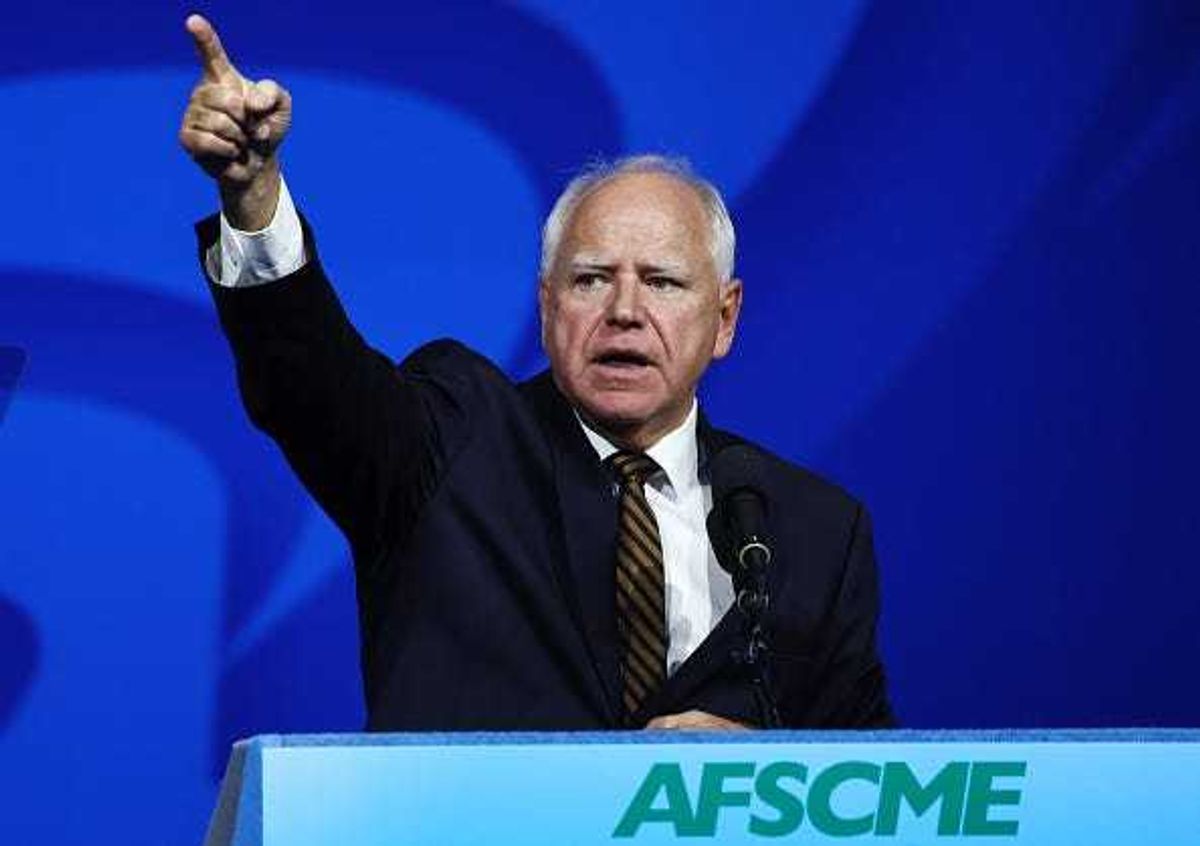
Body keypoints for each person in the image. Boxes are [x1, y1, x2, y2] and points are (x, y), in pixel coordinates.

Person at [180, 15, 893, 731]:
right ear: (547, 308)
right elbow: (311, 384)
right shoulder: (451, 447)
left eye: (664, 283)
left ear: (725, 319)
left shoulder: (814, 531)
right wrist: (254, 196)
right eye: (589, 280)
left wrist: (772, 774)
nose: (624, 311)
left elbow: (877, 795)